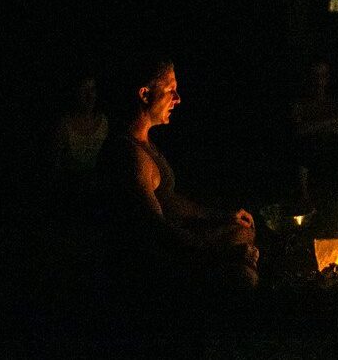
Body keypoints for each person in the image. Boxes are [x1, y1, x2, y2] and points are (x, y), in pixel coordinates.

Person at [93, 56, 259, 353]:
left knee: (241, 231)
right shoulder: (129, 157)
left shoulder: (143, 142)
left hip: (167, 251)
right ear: (144, 94)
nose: (178, 99)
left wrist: (222, 217)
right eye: (170, 91)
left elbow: (170, 201)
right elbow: (156, 233)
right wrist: (221, 251)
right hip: (147, 275)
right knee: (242, 275)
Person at [290, 62, 338, 208]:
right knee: (304, 148)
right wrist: (328, 124)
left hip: (332, 143)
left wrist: (319, 125)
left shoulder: (334, 100)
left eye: (323, 75)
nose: (319, 80)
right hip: (312, 146)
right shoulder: (301, 103)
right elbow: (299, 130)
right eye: (315, 76)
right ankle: (304, 198)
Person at [50, 73, 108, 190]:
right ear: (75, 94)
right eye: (84, 90)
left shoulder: (104, 121)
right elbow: (54, 165)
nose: (90, 96)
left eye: (92, 89)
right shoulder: (64, 125)